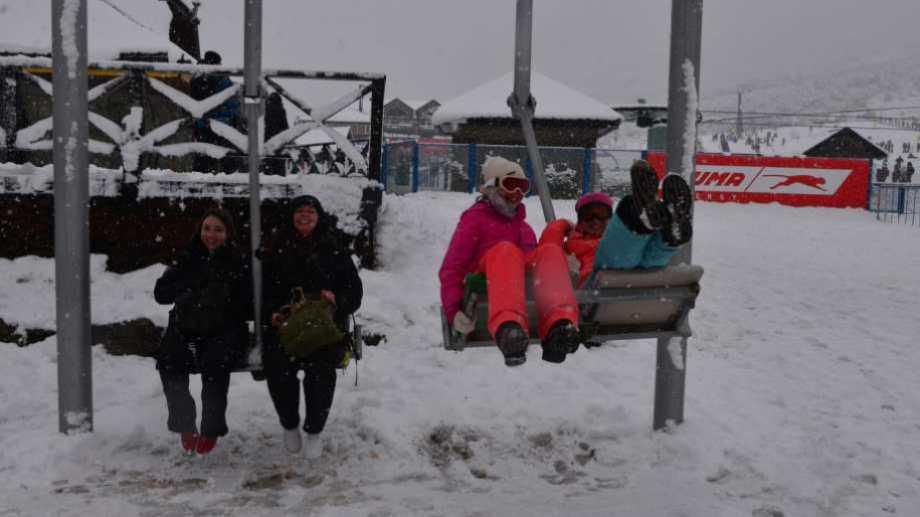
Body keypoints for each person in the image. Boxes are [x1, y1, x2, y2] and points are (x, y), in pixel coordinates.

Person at [439, 156, 580, 367]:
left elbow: (535, 265)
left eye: (523, 187)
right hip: (487, 280)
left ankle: (558, 325)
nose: (517, 194)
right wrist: (453, 310)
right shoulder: (474, 220)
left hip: (516, 284)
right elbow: (452, 267)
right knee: (506, 251)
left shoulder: (523, 228)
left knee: (549, 251)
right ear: (492, 187)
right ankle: (508, 328)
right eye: (511, 185)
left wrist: (559, 247)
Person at [260, 195, 363, 457]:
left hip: (323, 327)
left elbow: (354, 290)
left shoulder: (334, 248)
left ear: (319, 217)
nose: (304, 216)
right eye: (299, 211)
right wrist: (271, 312)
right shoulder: (277, 246)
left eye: (310, 211)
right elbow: (263, 291)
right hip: (286, 326)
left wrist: (337, 300)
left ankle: (314, 430)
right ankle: (289, 424)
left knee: (321, 372)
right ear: (291, 216)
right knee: (279, 369)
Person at [153, 208, 251, 455]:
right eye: (207, 228)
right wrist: (185, 288)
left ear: (227, 234)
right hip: (187, 325)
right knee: (170, 362)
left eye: (218, 230)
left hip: (223, 327)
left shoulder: (237, 260)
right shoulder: (188, 256)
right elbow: (161, 294)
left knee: (215, 364)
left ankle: (211, 427)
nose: (211, 235)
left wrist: (218, 300)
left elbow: (246, 302)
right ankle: (185, 424)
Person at [538, 160, 693, 289]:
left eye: (601, 214)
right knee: (613, 260)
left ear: (610, 217)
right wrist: (560, 225)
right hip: (592, 289)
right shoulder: (569, 246)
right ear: (579, 221)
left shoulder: (615, 237)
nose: (595, 220)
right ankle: (634, 220)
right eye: (588, 215)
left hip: (637, 282)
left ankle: (670, 233)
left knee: (649, 258)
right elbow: (544, 252)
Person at [190, 51, 242, 173]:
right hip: (222, 125)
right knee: (228, 158)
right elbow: (231, 103)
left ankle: (198, 185)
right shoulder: (222, 78)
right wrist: (235, 119)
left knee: (203, 159)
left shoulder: (197, 76)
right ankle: (230, 184)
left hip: (202, 125)